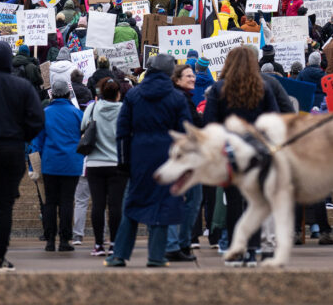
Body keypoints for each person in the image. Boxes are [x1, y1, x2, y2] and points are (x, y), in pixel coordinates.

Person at [106, 54, 191, 267]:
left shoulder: (134, 95)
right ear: (170, 72)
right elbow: (186, 135)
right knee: (163, 205)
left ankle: (119, 255)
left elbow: (122, 132)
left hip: (139, 156)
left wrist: (123, 162)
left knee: (132, 205)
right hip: (168, 156)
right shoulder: (177, 98)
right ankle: (156, 256)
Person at [203, 46, 279, 267]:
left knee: (233, 203)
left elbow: (209, 123)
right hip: (257, 154)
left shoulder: (219, 90)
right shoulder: (263, 88)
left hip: (231, 154)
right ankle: (252, 249)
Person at [33, 80, 84, 252]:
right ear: (68, 94)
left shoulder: (45, 113)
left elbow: (36, 142)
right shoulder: (77, 113)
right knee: (67, 202)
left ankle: (49, 240)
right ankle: (64, 240)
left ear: (52, 94)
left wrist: (34, 166)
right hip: (71, 162)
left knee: (50, 202)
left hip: (50, 163)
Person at [81, 78, 127, 257]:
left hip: (95, 163)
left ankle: (98, 243)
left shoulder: (92, 108)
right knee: (115, 205)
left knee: (98, 205)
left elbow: (83, 126)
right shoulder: (123, 109)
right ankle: (114, 243)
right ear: (118, 94)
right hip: (117, 162)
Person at [165, 65, 203, 262]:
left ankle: (179, 243)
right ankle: (180, 243)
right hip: (184, 157)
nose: (193, 78)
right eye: (188, 75)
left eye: (193, 75)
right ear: (177, 79)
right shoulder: (181, 99)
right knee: (191, 199)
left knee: (188, 199)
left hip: (182, 156)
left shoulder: (183, 98)